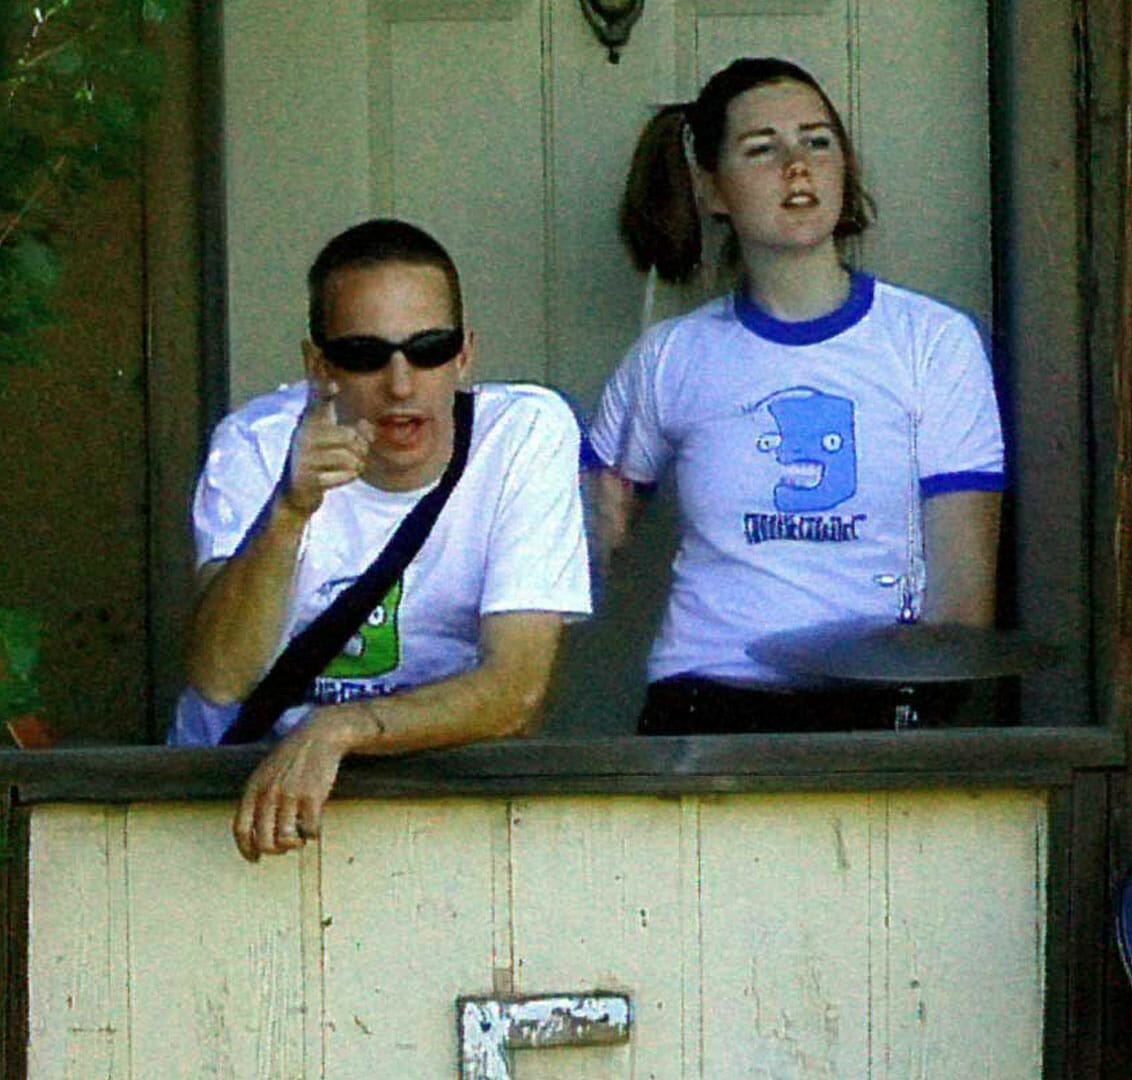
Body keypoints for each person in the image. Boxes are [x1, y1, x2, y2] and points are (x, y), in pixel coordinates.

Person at [586, 57, 1004, 734]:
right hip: (706, 700)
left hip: (875, 701)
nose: (797, 166)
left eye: (817, 140)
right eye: (762, 149)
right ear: (712, 189)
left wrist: (921, 710)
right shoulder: (672, 356)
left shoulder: (933, 342)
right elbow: (584, 541)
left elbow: (963, 594)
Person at [172, 219, 592, 861]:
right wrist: (289, 512)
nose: (401, 383)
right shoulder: (257, 444)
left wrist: (339, 729)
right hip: (240, 796)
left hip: (427, 793)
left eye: (428, 348)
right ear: (319, 367)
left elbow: (518, 691)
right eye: (367, 355)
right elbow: (219, 676)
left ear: (465, 354)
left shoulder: (524, 434)